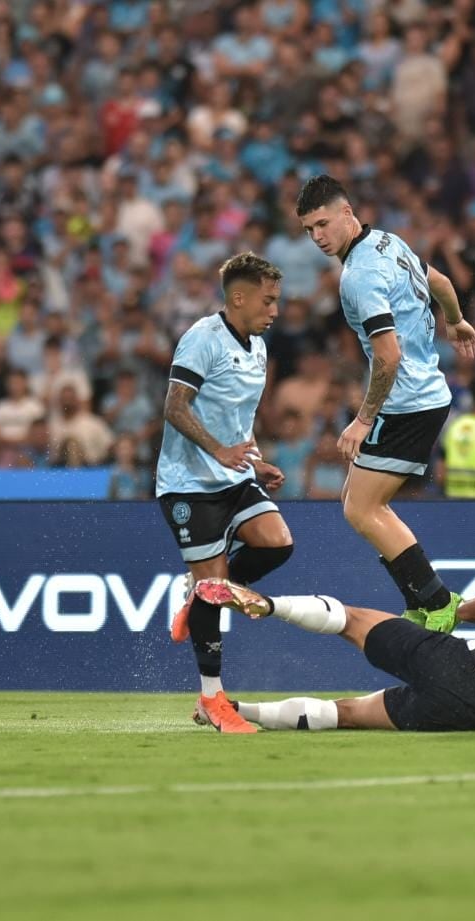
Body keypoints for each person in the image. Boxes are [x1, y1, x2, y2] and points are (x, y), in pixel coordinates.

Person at [191, 548, 475, 733]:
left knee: (351, 619)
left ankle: (266, 604)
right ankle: (239, 712)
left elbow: (457, 613)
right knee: (349, 714)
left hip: (455, 662)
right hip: (470, 714)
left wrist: (425, 615)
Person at [295, 175, 475, 632]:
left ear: (346, 212)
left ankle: (438, 602)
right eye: (308, 230)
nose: (318, 237)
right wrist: (455, 320)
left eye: (322, 224)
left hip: (408, 403)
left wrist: (362, 420)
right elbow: (436, 279)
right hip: (423, 396)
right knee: (358, 504)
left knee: (361, 509)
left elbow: (388, 355)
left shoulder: (358, 277)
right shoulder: (387, 242)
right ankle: (422, 600)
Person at [156, 253, 295, 734]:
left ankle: (200, 598)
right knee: (215, 590)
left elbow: (236, 421)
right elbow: (175, 407)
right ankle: (211, 700)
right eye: (268, 299)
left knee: (277, 542)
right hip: (189, 484)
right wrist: (218, 451)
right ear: (239, 297)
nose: (275, 309)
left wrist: (255, 461)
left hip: (233, 476)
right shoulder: (202, 338)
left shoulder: (257, 347)